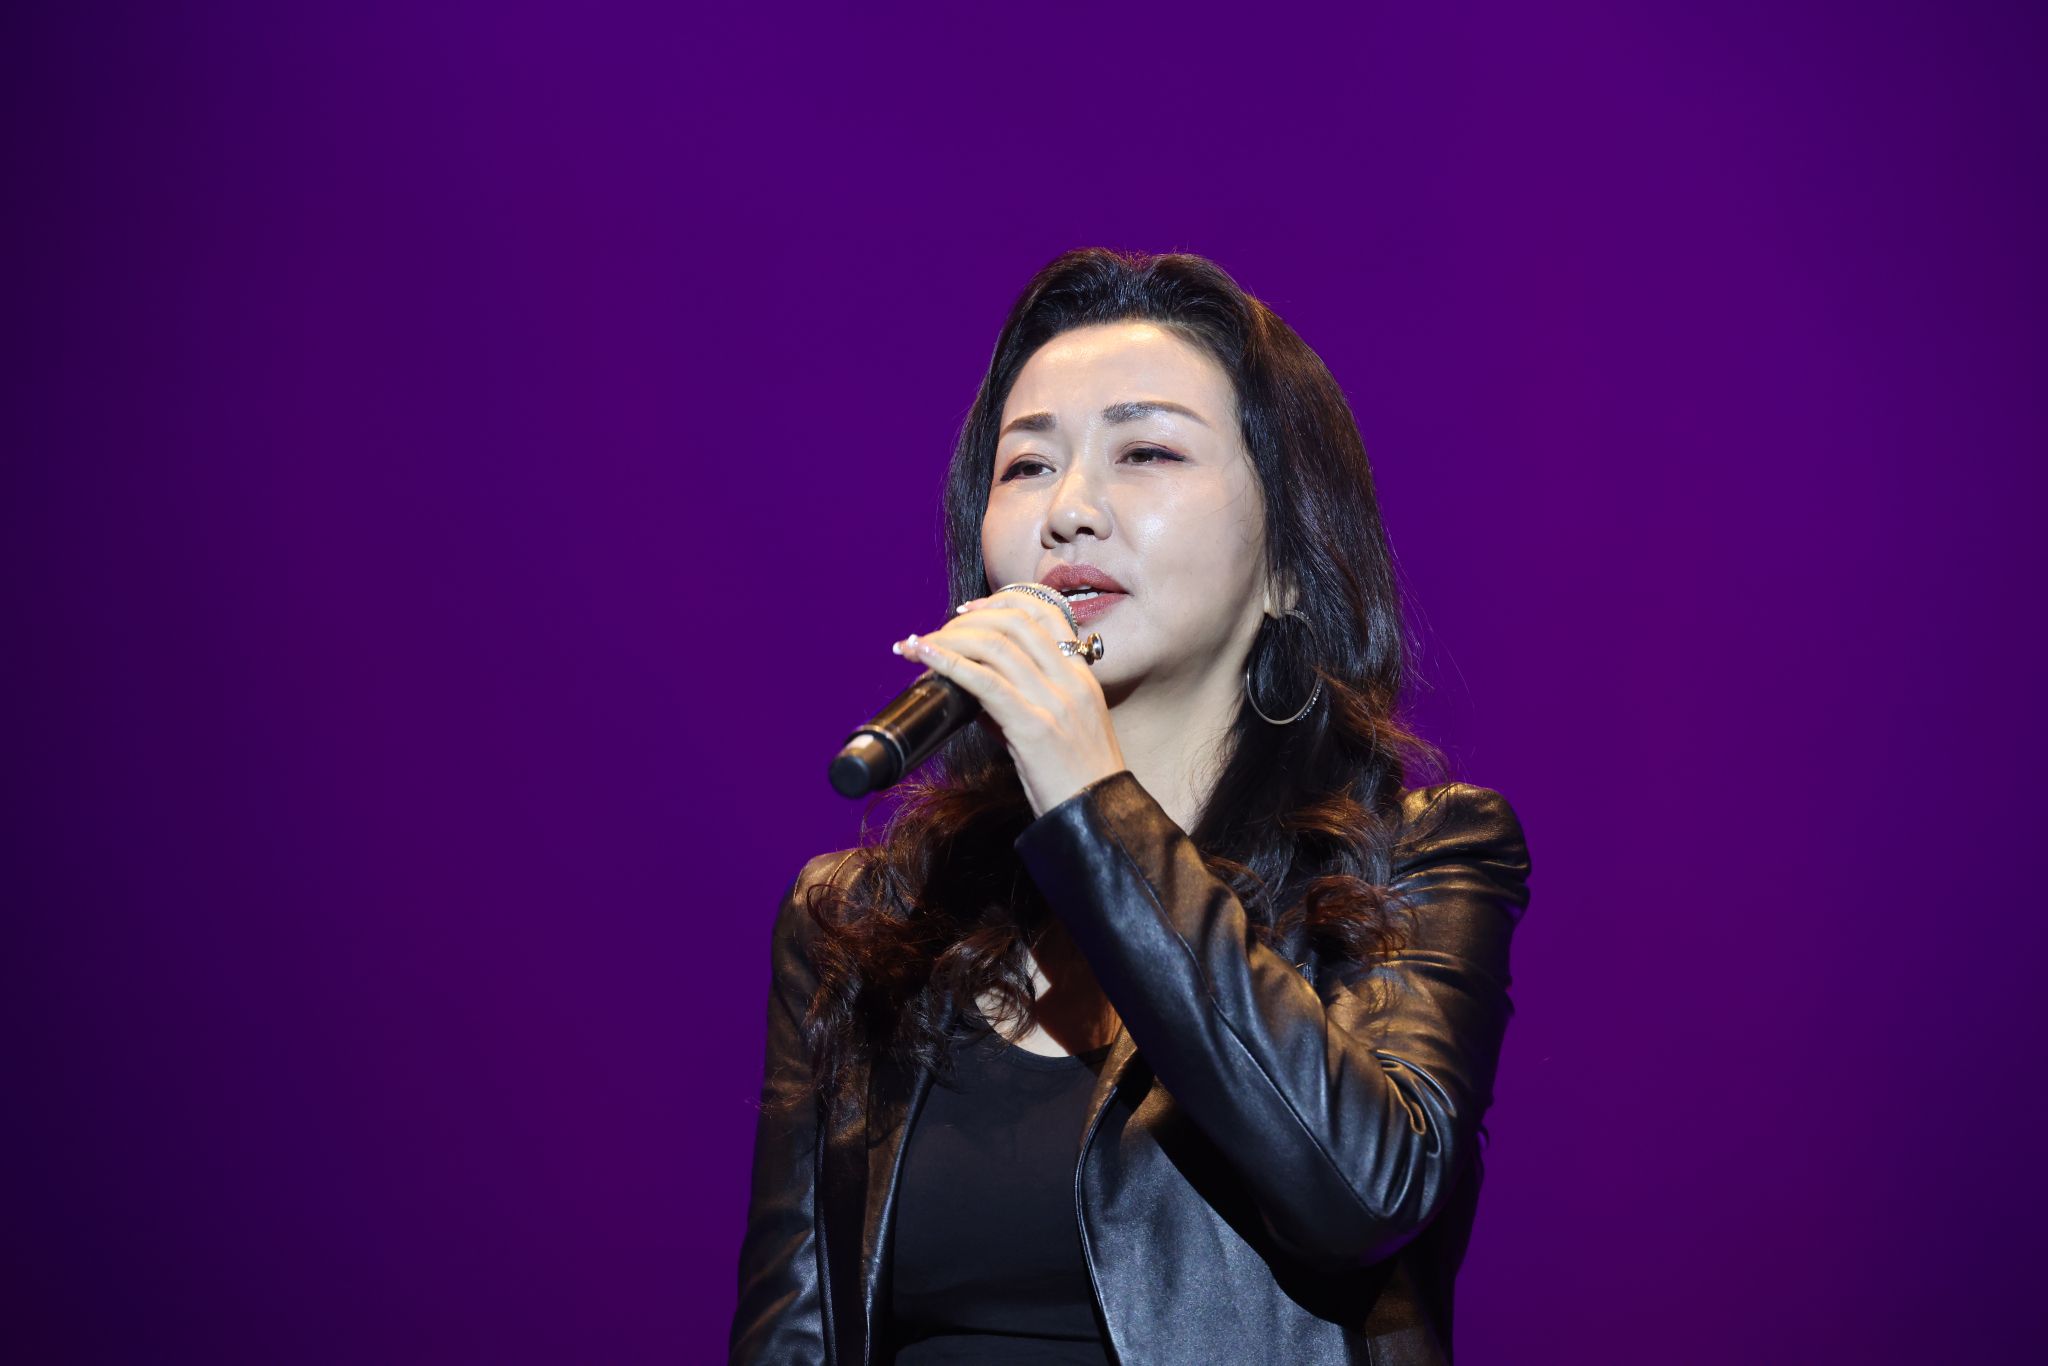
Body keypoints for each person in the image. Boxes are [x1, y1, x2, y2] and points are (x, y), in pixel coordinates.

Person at [729, 248, 1534, 1365]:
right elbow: (794, 1333)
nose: (1068, 511)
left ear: (1288, 563)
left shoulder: (1421, 861)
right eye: (1026, 465)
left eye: (1145, 451)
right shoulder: (861, 923)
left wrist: (1088, 799)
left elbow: (1364, 1192)